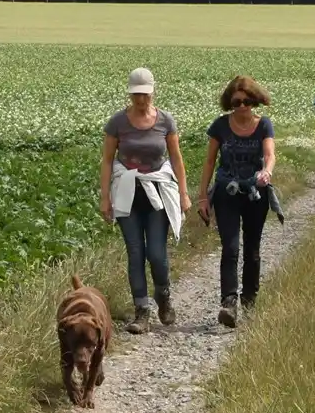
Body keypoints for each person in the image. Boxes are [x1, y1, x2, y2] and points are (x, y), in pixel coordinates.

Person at [100, 67, 190, 334]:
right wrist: (104, 197)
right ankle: (142, 312)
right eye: (136, 95)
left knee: (157, 255)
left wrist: (183, 193)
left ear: (153, 92)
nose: (141, 100)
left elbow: (176, 158)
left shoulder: (165, 121)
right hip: (127, 192)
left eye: (145, 95)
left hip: (157, 193)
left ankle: (163, 297)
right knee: (135, 252)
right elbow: (106, 161)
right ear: (130, 94)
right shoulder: (117, 122)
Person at [195, 75, 276, 328]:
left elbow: (270, 154)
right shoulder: (220, 126)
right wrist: (202, 197)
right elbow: (209, 161)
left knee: (252, 249)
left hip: (255, 193)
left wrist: (267, 172)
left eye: (248, 101)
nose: (242, 106)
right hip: (226, 192)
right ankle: (228, 302)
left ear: (255, 101)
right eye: (237, 101)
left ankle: (249, 299)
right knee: (230, 248)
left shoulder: (264, 125)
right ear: (230, 101)